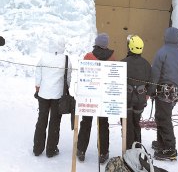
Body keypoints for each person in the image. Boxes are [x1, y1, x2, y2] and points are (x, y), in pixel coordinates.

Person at [151, 27, 178, 161]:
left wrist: (151, 89)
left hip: (165, 91)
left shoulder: (162, 52)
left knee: (163, 118)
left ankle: (170, 148)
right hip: (177, 92)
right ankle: (161, 143)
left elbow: (155, 73)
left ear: (166, 37)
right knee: (162, 115)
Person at [77, 33, 115, 165]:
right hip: (105, 96)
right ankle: (103, 153)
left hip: (90, 96)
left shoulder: (88, 56)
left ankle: (81, 150)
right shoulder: (112, 58)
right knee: (103, 124)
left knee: (86, 122)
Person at [33, 39, 72, 158]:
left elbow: (38, 74)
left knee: (41, 120)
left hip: (43, 94)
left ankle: (37, 148)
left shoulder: (44, 57)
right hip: (58, 95)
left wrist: (38, 88)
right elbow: (68, 78)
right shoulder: (65, 59)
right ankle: (51, 149)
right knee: (55, 122)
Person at [121, 35, 152, 149]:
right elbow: (151, 82)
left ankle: (129, 149)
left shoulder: (123, 63)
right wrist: (147, 94)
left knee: (127, 124)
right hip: (140, 100)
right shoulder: (146, 64)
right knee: (136, 123)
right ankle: (137, 147)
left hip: (126, 99)